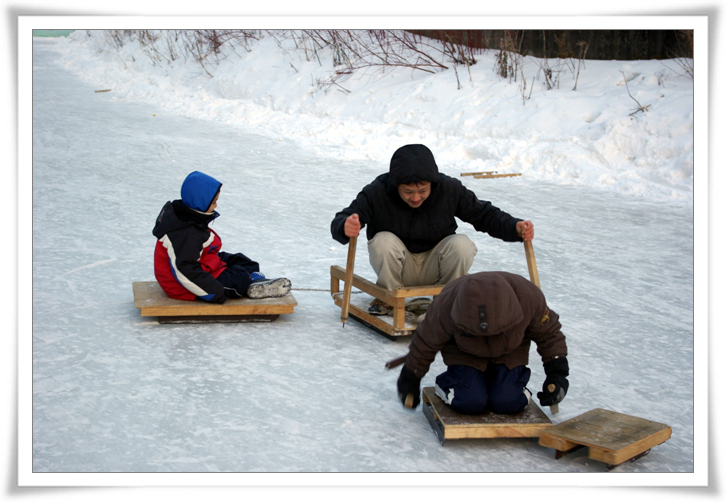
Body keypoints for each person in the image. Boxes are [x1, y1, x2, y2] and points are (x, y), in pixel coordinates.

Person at [330, 144, 534, 315]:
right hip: (398, 267)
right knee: (382, 240)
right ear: (396, 185)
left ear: (432, 183)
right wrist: (345, 226)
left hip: (436, 264)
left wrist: (514, 228)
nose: (416, 198)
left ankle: (448, 300)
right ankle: (388, 299)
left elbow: (484, 214)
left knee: (462, 245)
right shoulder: (378, 191)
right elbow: (344, 217)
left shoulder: (448, 189)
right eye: (408, 192)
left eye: (422, 191)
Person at [396, 271, 569, 415]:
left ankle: (508, 386)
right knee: (470, 402)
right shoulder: (447, 303)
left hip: (509, 352)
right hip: (465, 352)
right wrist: (411, 375)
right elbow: (426, 340)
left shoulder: (528, 298)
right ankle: (447, 383)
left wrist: (557, 373)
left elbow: (549, 334)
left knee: (508, 402)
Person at [153, 171, 291, 303]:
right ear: (199, 203)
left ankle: (254, 280)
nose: (216, 205)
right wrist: (213, 293)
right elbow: (184, 270)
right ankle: (249, 283)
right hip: (184, 286)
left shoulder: (188, 216)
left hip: (200, 263)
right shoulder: (187, 234)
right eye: (213, 202)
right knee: (238, 278)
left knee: (240, 260)